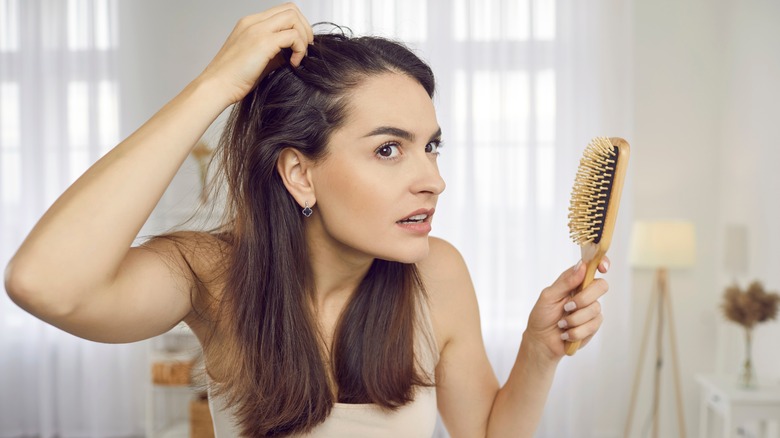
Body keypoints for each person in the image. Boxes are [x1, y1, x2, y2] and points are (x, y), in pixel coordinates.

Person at [4, 3, 610, 437]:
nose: (433, 179)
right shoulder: (212, 274)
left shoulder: (437, 272)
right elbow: (44, 283)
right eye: (388, 149)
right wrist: (215, 85)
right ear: (299, 173)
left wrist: (537, 350)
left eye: (432, 147)